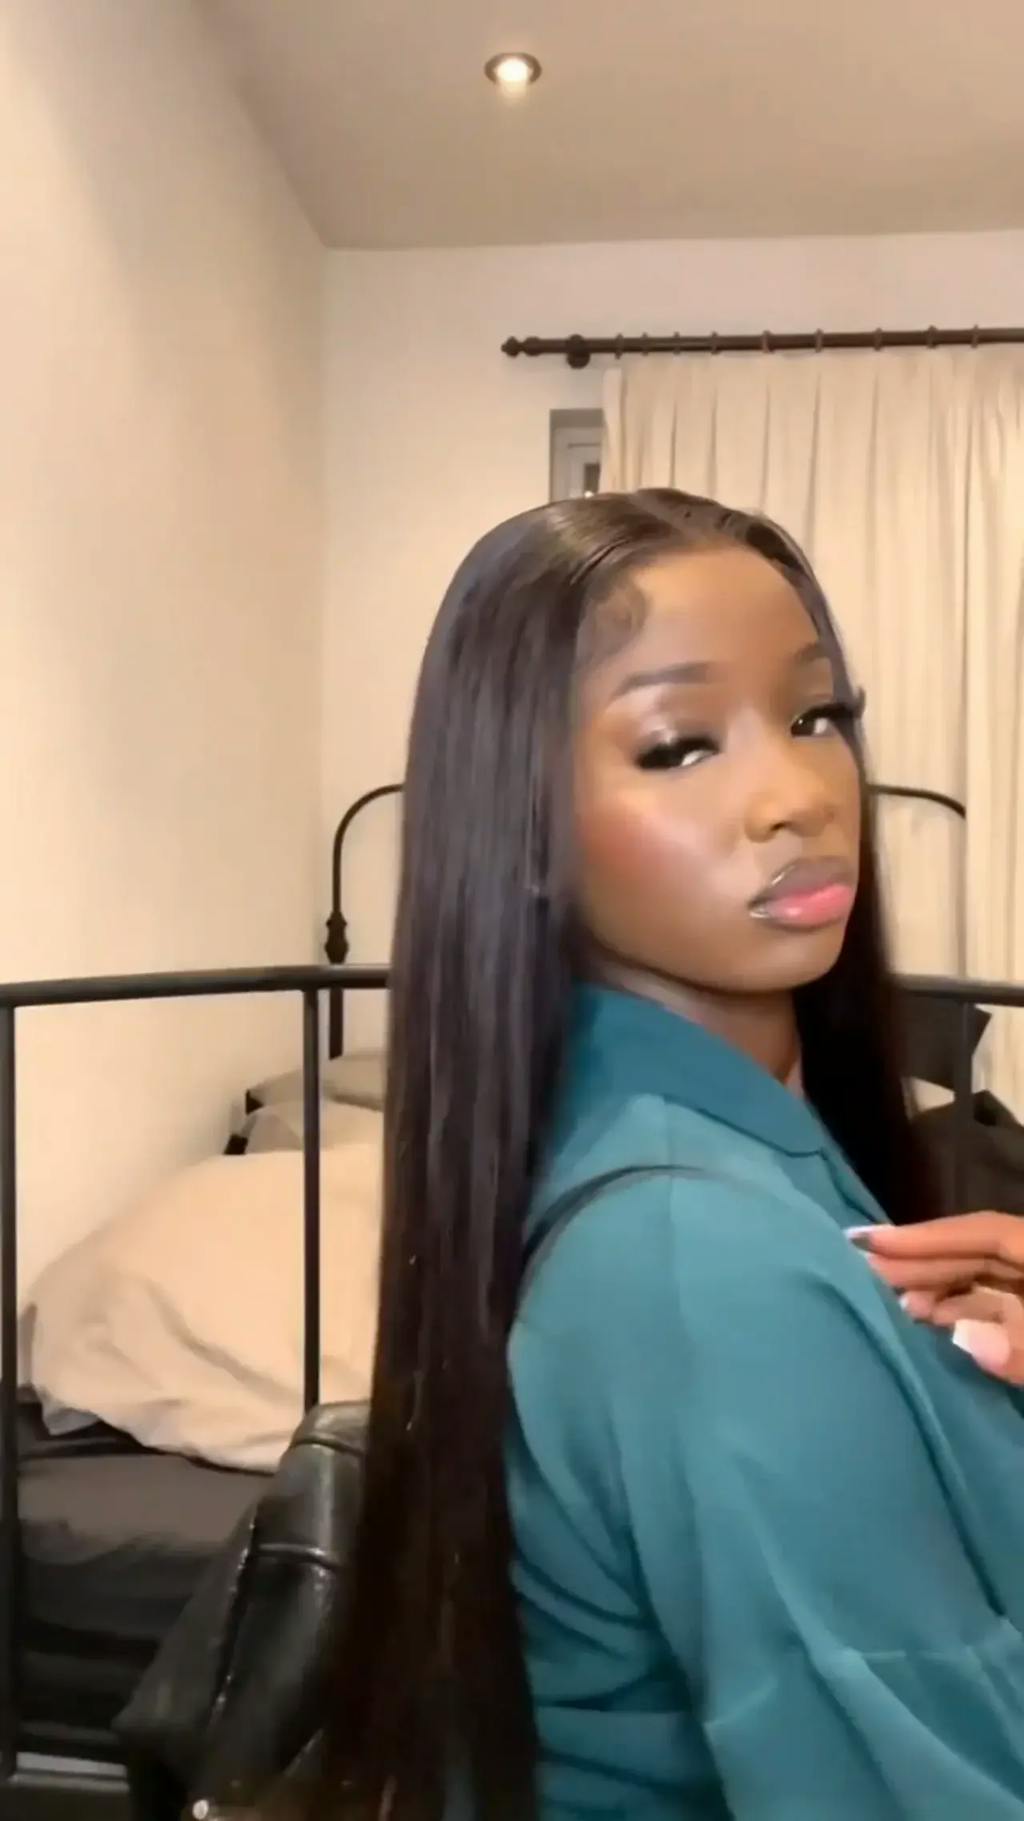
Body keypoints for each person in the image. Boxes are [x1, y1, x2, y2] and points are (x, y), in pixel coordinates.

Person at [310, 491, 1024, 1819]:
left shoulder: (748, 1172)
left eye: (816, 717)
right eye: (680, 745)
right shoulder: (701, 1263)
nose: (799, 798)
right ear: (522, 828)